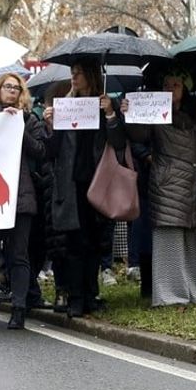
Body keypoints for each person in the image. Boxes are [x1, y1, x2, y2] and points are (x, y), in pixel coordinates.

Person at [121, 67, 196, 307]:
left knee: (193, 240)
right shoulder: (155, 109)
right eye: (167, 83)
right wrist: (128, 114)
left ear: (184, 88)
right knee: (169, 238)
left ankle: (195, 291)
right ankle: (169, 295)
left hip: (194, 183)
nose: (170, 88)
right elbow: (139, 134)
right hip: (167, 182)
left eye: (176, 84)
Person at [43, 62, 126, 318]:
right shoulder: (66, 105)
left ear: (90, 75)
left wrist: (111, 114)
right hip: (73, 183)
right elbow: (52, 150)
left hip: (99, 182)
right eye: (72, 73)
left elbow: (119, 142)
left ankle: (91, 294)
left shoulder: (104, 105)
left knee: (96, 241)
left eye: (78, 72)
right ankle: (76, 297)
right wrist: (52, 125)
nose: (74, 77)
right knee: (75, 243)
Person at [0, 72, 48, 329]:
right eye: (7, 87)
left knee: (18, 254)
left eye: (16, 89)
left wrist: (18, 127)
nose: (12, 92)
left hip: (20, 196)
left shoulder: (29, 120)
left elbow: (41, 151)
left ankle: (19, 309)